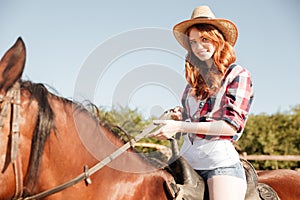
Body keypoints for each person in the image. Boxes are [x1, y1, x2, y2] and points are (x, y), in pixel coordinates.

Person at [149, 5, 254, 200]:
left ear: (218, 40)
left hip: (219, 166)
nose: (198, 47)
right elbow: (194, 124)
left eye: (204, 39)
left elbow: (230, 127)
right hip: (186, 163)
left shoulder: (237, 74)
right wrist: (178, 120)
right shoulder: (192, 85)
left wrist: (180, 125)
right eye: (193, 42)